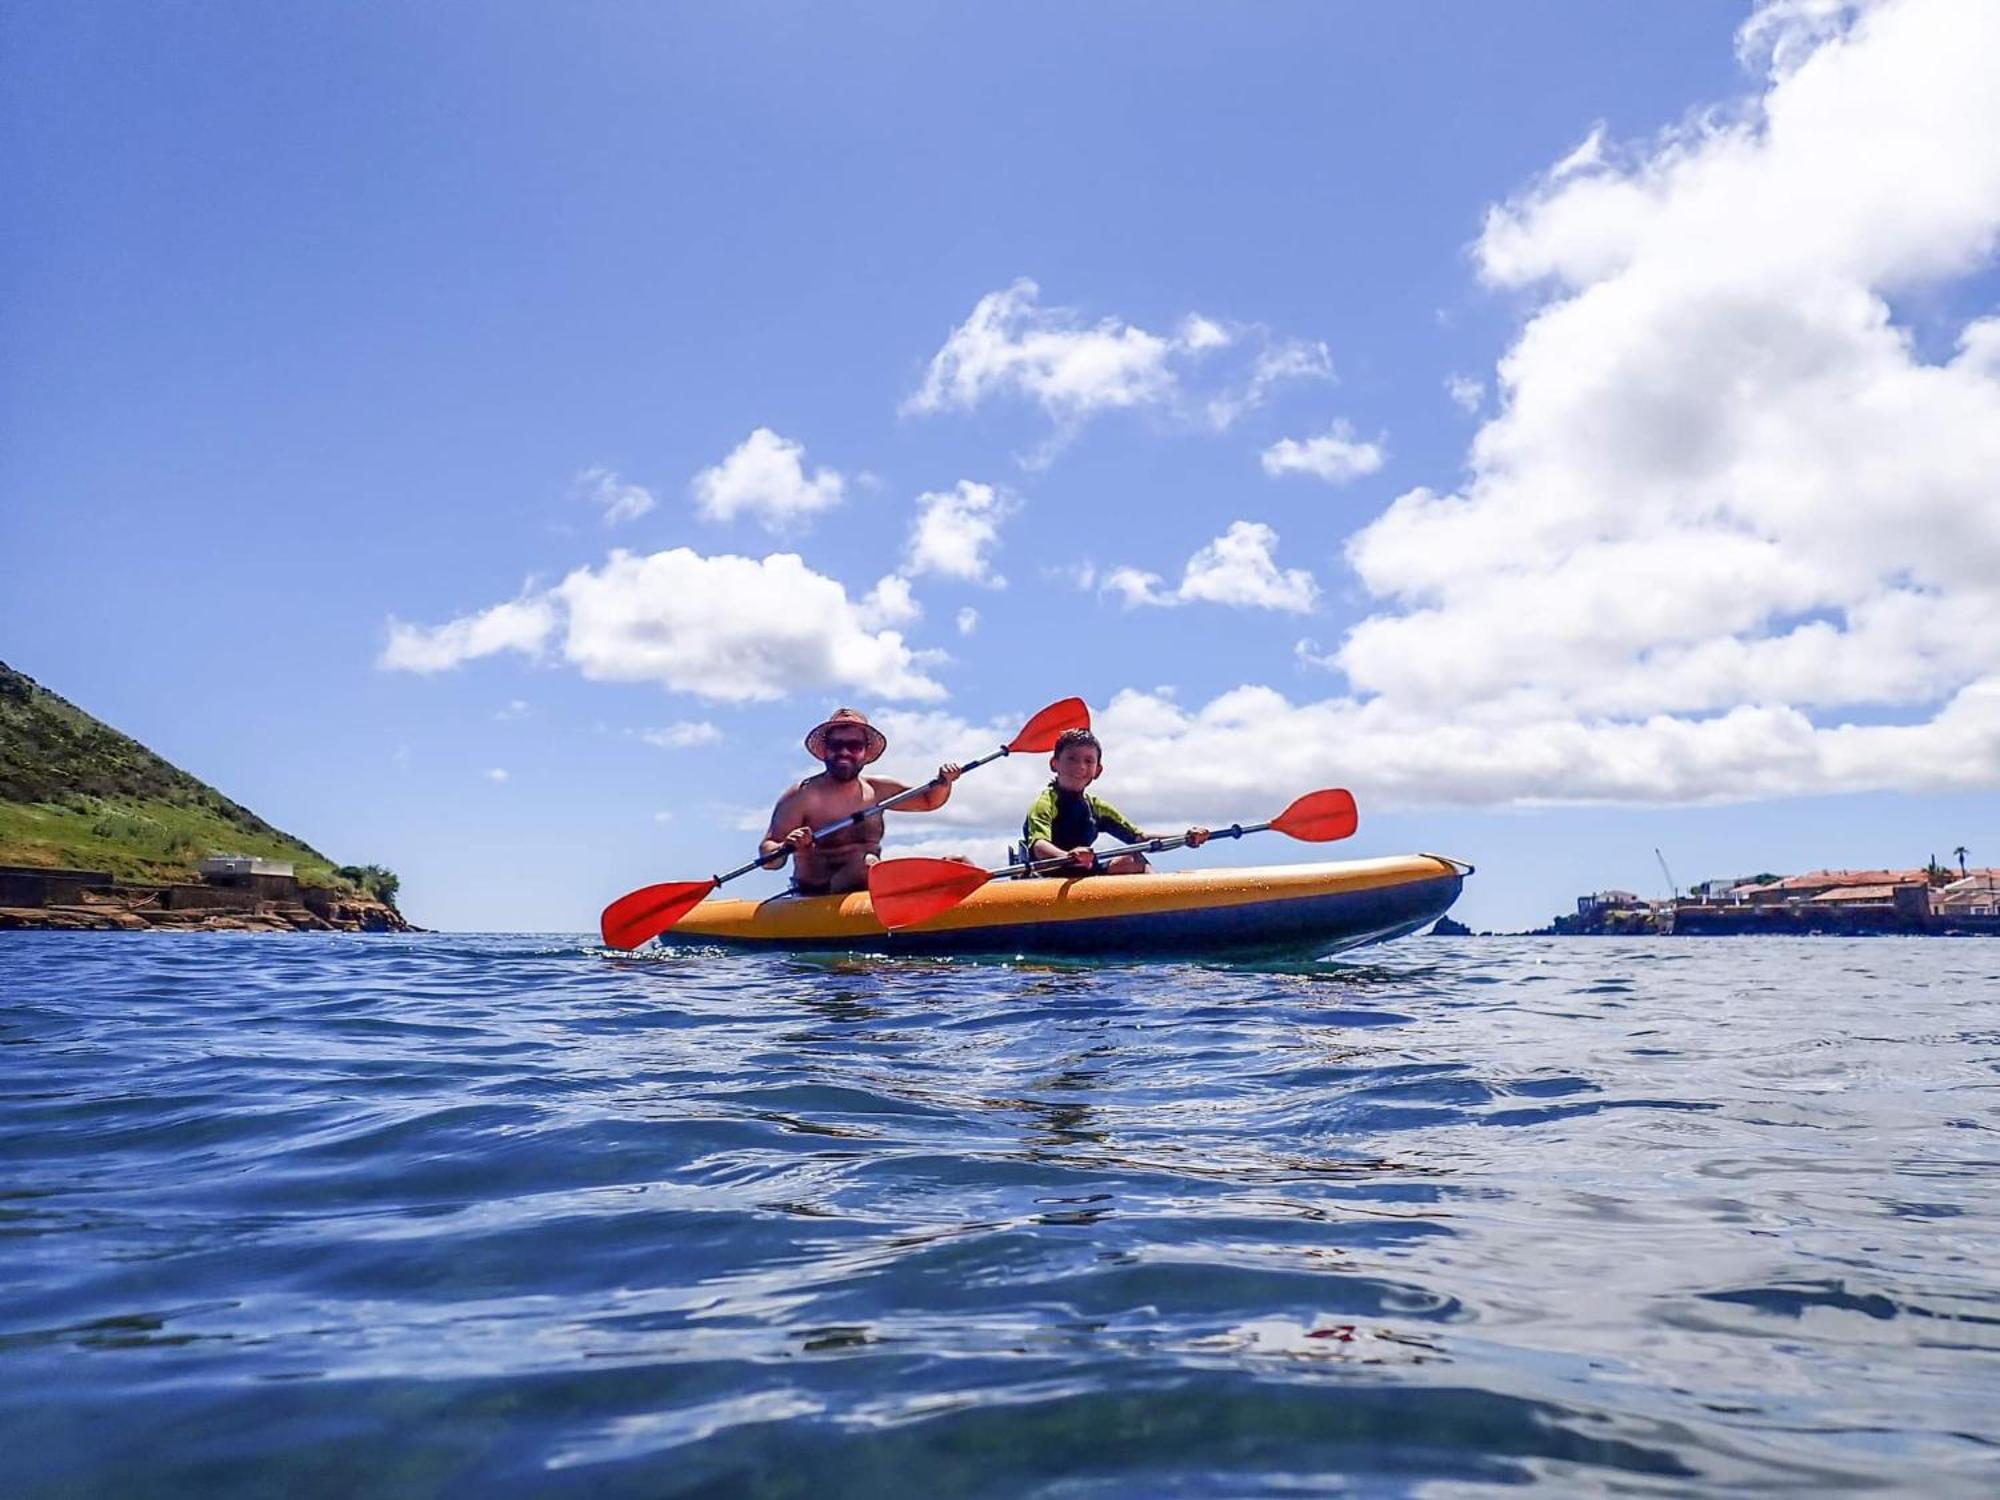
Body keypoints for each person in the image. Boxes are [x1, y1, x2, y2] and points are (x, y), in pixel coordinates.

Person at [760, 708, 962, 896]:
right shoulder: (803, 795)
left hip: (866, 886)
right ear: (825, 750)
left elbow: (929, 801)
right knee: (864, 865)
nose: (844, 752)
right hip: (817, 893)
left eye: (854, 746)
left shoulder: (878, 789)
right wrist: (786, 845)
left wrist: (945, 781)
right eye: (836, 745)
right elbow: (769, 858)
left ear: (865, 752)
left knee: (958, 862)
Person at [1021, 727, 1207, 876]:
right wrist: (1068, 856)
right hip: (1048, 878)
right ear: (1055, 764)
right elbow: (1039, 846)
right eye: (1071, 759)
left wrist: (1184, 839)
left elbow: (1140, 838)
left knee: (1134, 859)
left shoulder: (1096, 807)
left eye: (1088, 761)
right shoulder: (1044, 803)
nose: (1080, 766)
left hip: (1085, 874)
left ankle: (1164, 904)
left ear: (1098, 770)